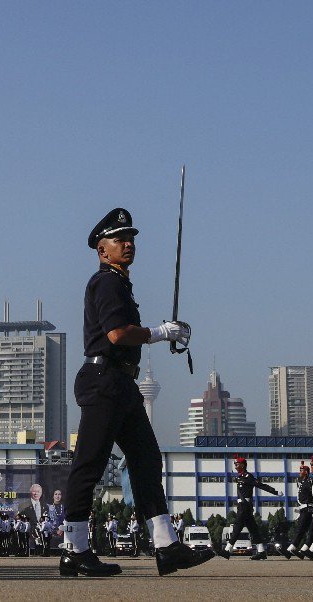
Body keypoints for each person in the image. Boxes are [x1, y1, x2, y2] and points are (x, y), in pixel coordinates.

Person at [60, 208, 214, 578]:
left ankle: (166, 546)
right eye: (119, 239)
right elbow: (116, 334)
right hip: (105, 380)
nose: (128, 245)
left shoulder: (119, 283)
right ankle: (74, 549)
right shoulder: (107, 283)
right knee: (91, 463)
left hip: (121, 383)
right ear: (102, 249)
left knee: (147, 459)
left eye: (131, 238)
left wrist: (158, 333)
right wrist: (161, 333)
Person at [220, 454, 280, 560]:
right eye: (235, 464)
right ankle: (261, 551)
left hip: (245, 506)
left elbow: (261, 485)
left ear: (243, 465)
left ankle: (227, 550)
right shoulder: (239, 477)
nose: (235, 466)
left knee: (237, 527)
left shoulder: (248, 477)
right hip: (242, 506)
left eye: (237, 464)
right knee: (253, 529)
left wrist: (275, 492)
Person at [287, 461, 313, 559]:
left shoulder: (308, 483)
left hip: (307, 509)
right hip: (303, 509)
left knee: (301, 529)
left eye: (301, 470)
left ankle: (291, 548)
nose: (300, 472)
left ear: (306, 472)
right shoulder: (302, 482)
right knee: (308, 530)